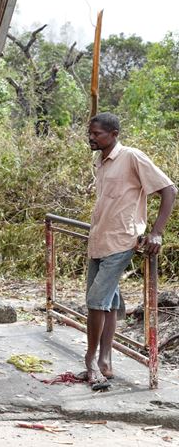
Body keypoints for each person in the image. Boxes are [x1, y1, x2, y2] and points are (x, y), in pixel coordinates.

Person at [83, 113, 176, 384]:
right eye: (90, 133)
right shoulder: (101, 162)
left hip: (122, 241)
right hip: (99, 240)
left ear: (114, 134)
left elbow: (169, 190)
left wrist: (156, 232)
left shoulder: (132, 157)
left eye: (97, 134)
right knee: (108, 304)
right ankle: (105, 359)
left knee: (95, 301)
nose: (91, 137)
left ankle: (90, 360)